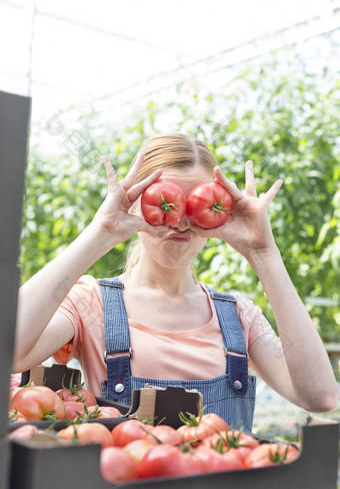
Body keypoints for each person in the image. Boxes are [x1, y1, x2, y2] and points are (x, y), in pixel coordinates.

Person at [13, 132, 338, 431]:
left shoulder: (239, 317)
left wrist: (264, 253)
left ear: (221, 211)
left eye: (197, 205)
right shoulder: (90, 302)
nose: (180, 221)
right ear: (137, 201)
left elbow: (320, 397)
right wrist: (101, 233)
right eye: (165, 200)